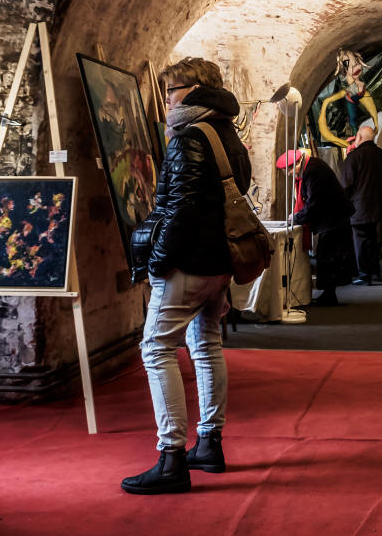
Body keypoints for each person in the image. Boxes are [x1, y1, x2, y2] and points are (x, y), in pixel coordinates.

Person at [123, 57, 251, 494]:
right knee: (206, 344)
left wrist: (158, 261)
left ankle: (171, 457)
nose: (167, 99)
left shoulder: (189, 136)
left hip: (189, 262)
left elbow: (181, 206)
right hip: (218, 261)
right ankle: (209, 444)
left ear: (193, 89)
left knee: (156, 348)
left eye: (171, 89)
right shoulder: (226, 132)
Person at [287, 149, 356, 306]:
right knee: (326, 256)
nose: (289, 174)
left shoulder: (312, 171)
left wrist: (297, 217)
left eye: (289, 169)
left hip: (333, 219)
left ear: (297, 164)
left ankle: (329, 296)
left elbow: (314, 202)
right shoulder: (312, 167)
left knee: (327, 256)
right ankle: (329, 294)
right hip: (333, 218)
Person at [340, 124, 382, 284]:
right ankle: (375, 271)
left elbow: (345, 185)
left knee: (360, 241)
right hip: (380, 208)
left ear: (359, 137)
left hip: (358, 209)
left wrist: (344, 205)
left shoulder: (354, 157)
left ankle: (365, 274)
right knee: (375, 240)